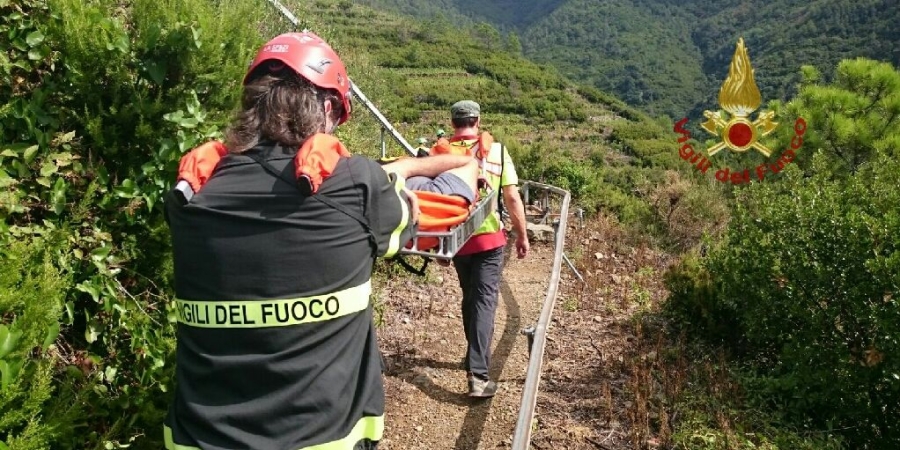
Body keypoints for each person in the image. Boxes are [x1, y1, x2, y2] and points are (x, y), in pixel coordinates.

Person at [163, 31, 473, 450]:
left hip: (199, 438)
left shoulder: (190, 193)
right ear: (326, 109)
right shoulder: (356, 186)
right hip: (322, 435)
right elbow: (431, 204)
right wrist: (456, 163)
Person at [443, 100, 529, 398]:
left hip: (456, 241)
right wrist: (522, 234)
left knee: (471, 297)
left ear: (453, 123)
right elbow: (512, 197)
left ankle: (472, 356)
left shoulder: (439, 151)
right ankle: (478, 375)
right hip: (489, 238)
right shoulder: (497, 151)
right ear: (477, 121)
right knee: (484, 302)